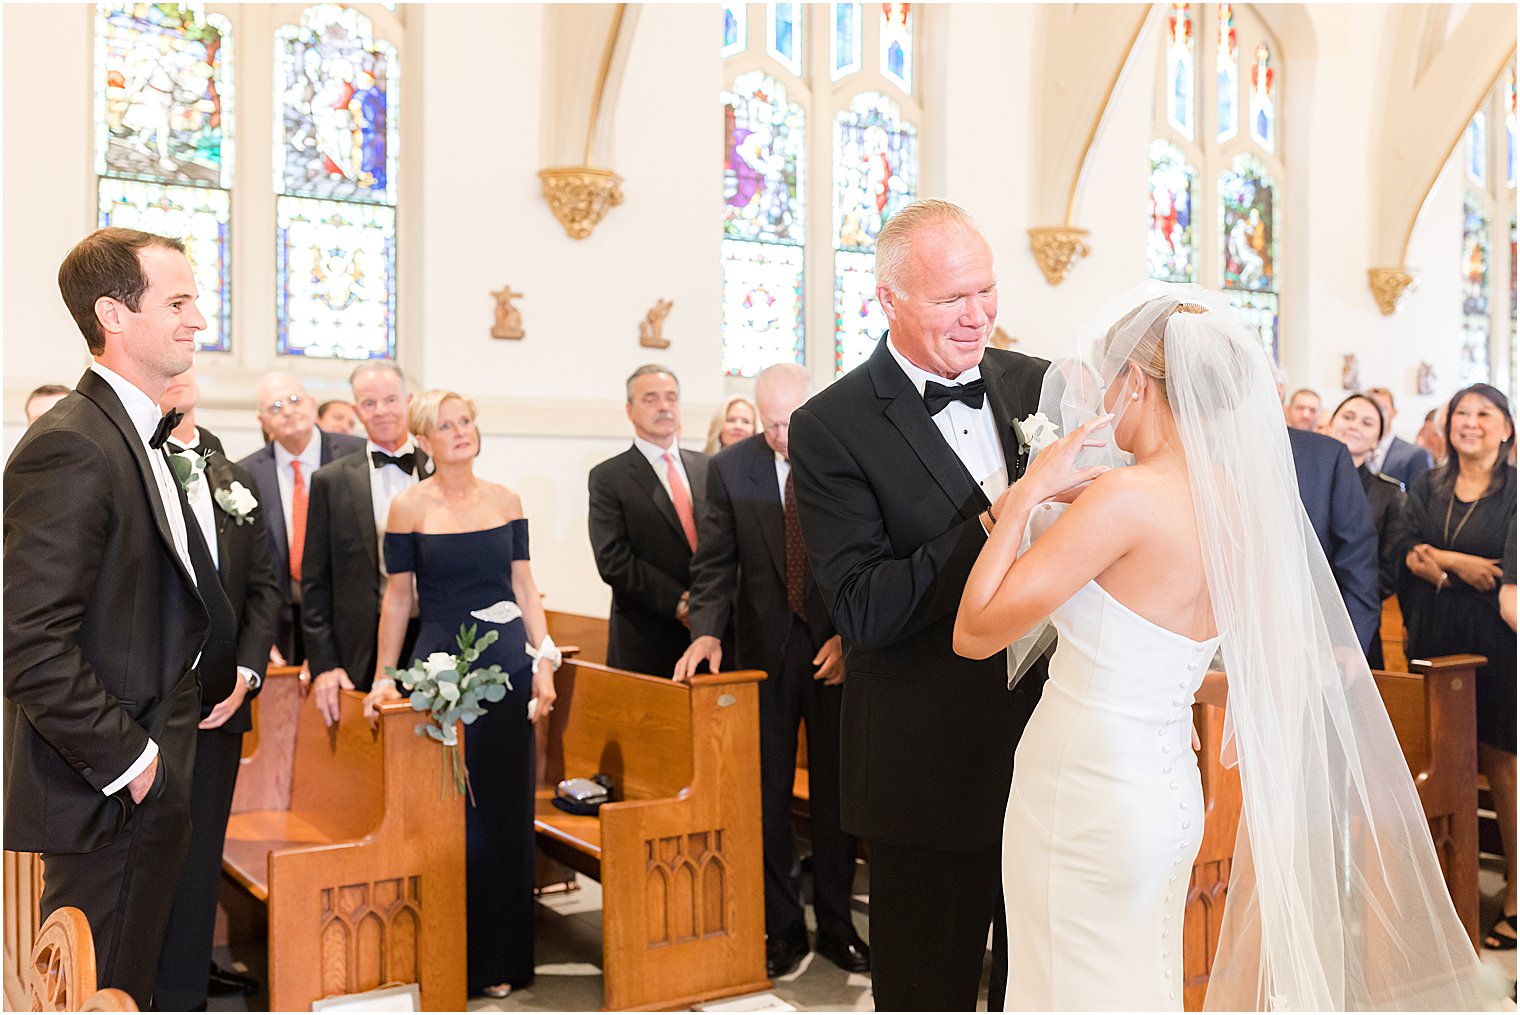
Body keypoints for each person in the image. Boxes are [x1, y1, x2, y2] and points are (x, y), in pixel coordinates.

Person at [953, 289, 1487, 1010]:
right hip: (1169, 785)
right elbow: (1239, 658)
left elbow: (975, 630)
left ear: (1137, 382)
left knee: (1065, 985)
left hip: (1083, 785)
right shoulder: (1242, 502)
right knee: (1140, 981)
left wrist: (1024, 496)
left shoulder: (1124, 499)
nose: (1103, 398)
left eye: (1110, 377)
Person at [788, 199, 1049, 1010]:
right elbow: (862, 608)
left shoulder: (1036, 383)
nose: (978, 318)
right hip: (926, 766)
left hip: (1053, 748)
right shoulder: (830, 425)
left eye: (987, 291)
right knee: (927, 991)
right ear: (890, 300)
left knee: (1039, 983)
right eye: (951, 300)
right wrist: (997, 519)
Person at [4, 227, 236, 1008]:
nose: (197, 319)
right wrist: (136, 767)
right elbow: (29, 640)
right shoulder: (71, 444)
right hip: (102, 798)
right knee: (100, 992)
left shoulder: (130, 434)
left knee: (129, 989)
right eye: (176, 301)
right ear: (113, 313)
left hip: (142, 783)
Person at [362, 390, 558, 999]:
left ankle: (502, 958)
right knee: (450, 815)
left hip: (508, 668)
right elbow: (398, 599)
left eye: (466, 421)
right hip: (440, 666)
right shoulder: (407, 507)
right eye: (445, 426)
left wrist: (544, 660)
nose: (460, 432)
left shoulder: (505, 500)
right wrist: (382, 676)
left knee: (504, 813)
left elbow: (525, 587)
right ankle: (450, 951)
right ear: (424, 440)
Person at [674, 363, 866, 980]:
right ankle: (782, 927)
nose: (782, 434)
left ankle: (837, 925)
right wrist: (705, 632)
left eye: (792, 421)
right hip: (763, 656)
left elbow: (868, 558)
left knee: (840, 797)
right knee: (768, 798)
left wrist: (849, 638)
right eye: (771, 422)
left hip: (834, 652)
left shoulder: (847, 459)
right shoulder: (731, 469)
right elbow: (715, 563)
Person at [152, 365, 281, 1008]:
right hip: (152, 707)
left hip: (223, 703)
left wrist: (247, 675)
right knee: (152, 855)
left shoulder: (237, 478)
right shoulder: (136, 472)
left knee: (202, 854)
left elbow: (265, 589)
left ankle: (186, 988)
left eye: (184, 368)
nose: (176, 376)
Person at [1401, 383, 1517, 951]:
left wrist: (1435, 561)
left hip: (1499, 645)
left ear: (1506, 428)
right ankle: (1450, 890)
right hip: (1437, 638)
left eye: (1483, 413)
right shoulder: (1429, 483)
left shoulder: (1515, 492)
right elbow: (1406, 550)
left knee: (1503, 763)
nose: (1469, 422)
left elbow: (1506, 582)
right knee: (1444, 758)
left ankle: (1517, 895)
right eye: (1460, 413)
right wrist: (1457, 565)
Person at [303, 362, 427, 723]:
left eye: (391, 400)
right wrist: (325, 663)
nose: (382, 411)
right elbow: (315, 582)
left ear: (408, 401)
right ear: (357, 411)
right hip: (359, 643)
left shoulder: (438, 470)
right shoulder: (331, 481)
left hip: (432, 637)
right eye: (370, 403)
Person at [588, 365, 710, 676]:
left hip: (713, 632)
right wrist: (679, 602)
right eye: (651, 399)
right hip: (646, 637)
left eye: (671, 398)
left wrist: (711, 604)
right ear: (629, 410)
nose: (664, 406)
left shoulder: (708, 468)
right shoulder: (608, 477)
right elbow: (613, 559)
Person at [237, 372, 365, 665]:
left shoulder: (355, 455)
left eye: (295, 400)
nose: (288, 410)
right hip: (280, 623)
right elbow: (246, 562)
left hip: (346, 618)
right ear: (263, 422)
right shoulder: (246, 474)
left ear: (312, 404)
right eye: (275, 407)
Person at [1324, 392, 1418, 667]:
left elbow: (1388, 569)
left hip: (1357, 616)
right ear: (1331, 424)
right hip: (1302, 612)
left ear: (1377, 439)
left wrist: (1347, 600)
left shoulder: (1388, 492)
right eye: (1348, 417)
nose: (1354, 426)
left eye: (1367, 423)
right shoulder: (1302, 478)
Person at [1286, 424, 1381, 652]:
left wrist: (1350, 644)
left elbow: (1357, 558)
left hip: (1304, 637)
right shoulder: (1194, 447)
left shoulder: (1324, 455)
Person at [1365, 385, 1435, 488]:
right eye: (1370, 408)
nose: (1376, 413)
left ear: (1394, 412)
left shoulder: (1414, 454)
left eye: (1382, 408)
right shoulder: (1353, 450)